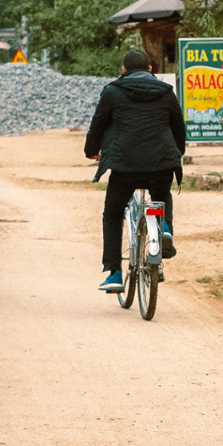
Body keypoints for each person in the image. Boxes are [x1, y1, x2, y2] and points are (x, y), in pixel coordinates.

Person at [83, 48, 185, 294]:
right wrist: (175, 154)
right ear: (150, 69)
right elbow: (178, 128)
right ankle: (166, 230)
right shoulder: (166, 92)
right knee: (161, 195)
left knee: (113, 213)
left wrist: (91, 151)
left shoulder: (113, 92)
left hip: (124, 166)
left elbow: (97, 124)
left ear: (123, 70)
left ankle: (115, 273)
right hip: (160, 162)